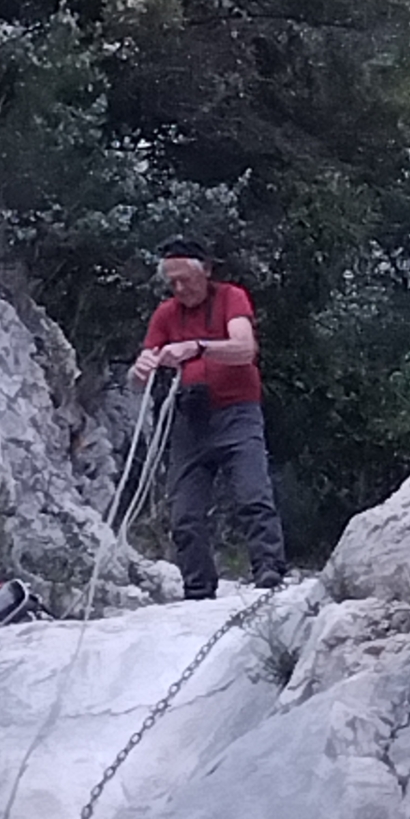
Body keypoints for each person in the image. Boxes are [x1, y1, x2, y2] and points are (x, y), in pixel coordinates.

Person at [130, 238, 286, 600]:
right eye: (172, 282)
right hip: (190, 418)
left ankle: (269, 570)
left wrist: (198, 347)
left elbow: (245, 349)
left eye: (185, 279)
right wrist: (141, 369)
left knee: (252, 494)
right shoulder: (166, 314)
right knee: (184, 514)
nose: (179, 288)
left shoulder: (231, 298)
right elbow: (137, 379)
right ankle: (197, 588)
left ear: (207, 272)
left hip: (237, 412)